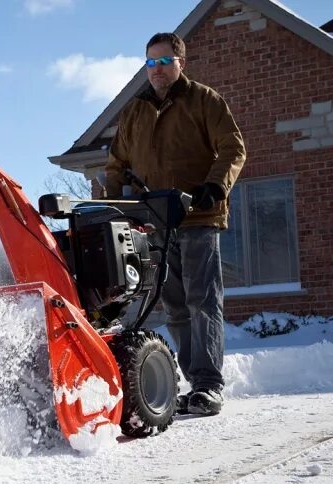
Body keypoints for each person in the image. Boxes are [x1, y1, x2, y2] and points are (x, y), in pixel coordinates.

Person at [100, 32, 246, 416]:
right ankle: (195, 384)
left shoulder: (203, 100)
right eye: (150, 63)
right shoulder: (135, 112)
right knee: (176, 307)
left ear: (181, 62)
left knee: (203, 301)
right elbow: (116, 166)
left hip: (198, 216)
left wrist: (215, 185)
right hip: (156, 223)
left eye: (164, 61)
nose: (157, 69)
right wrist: (113, 207)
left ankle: (208, 385)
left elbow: (233, 147)